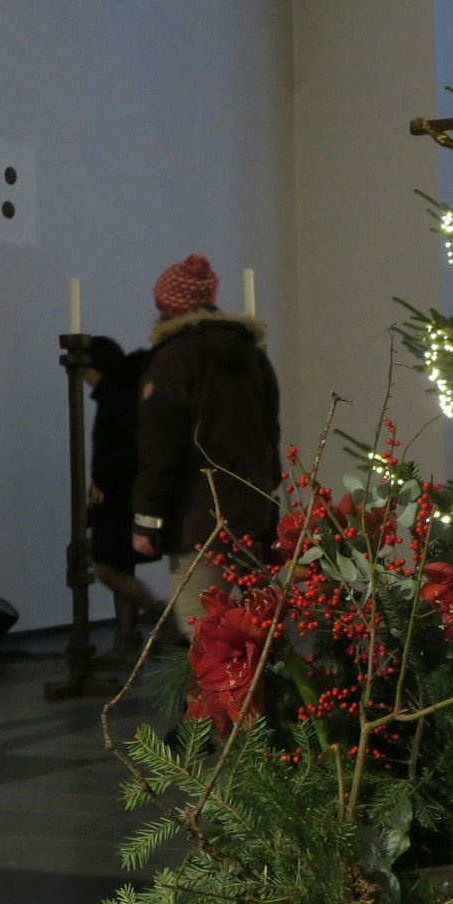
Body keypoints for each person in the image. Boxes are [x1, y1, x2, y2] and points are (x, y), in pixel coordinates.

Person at [130, 255, 280, 632]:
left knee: (204, 643)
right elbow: (269, 437)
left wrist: (146, 521)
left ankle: (210, 696)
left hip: (198, 526)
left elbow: (160, 450)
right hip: (253, 519)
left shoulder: (173, 360)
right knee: (259, 643)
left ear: (168, 307)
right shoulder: (253, 357)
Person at [84, 336, 163, 653]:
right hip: (127, 494)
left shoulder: (114, 397)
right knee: (120, 566)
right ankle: (126, 640)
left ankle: (159, 614)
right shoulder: (125, 393)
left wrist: (100, 481)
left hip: (119, 497)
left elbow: (121, 449)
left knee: (106, 568)